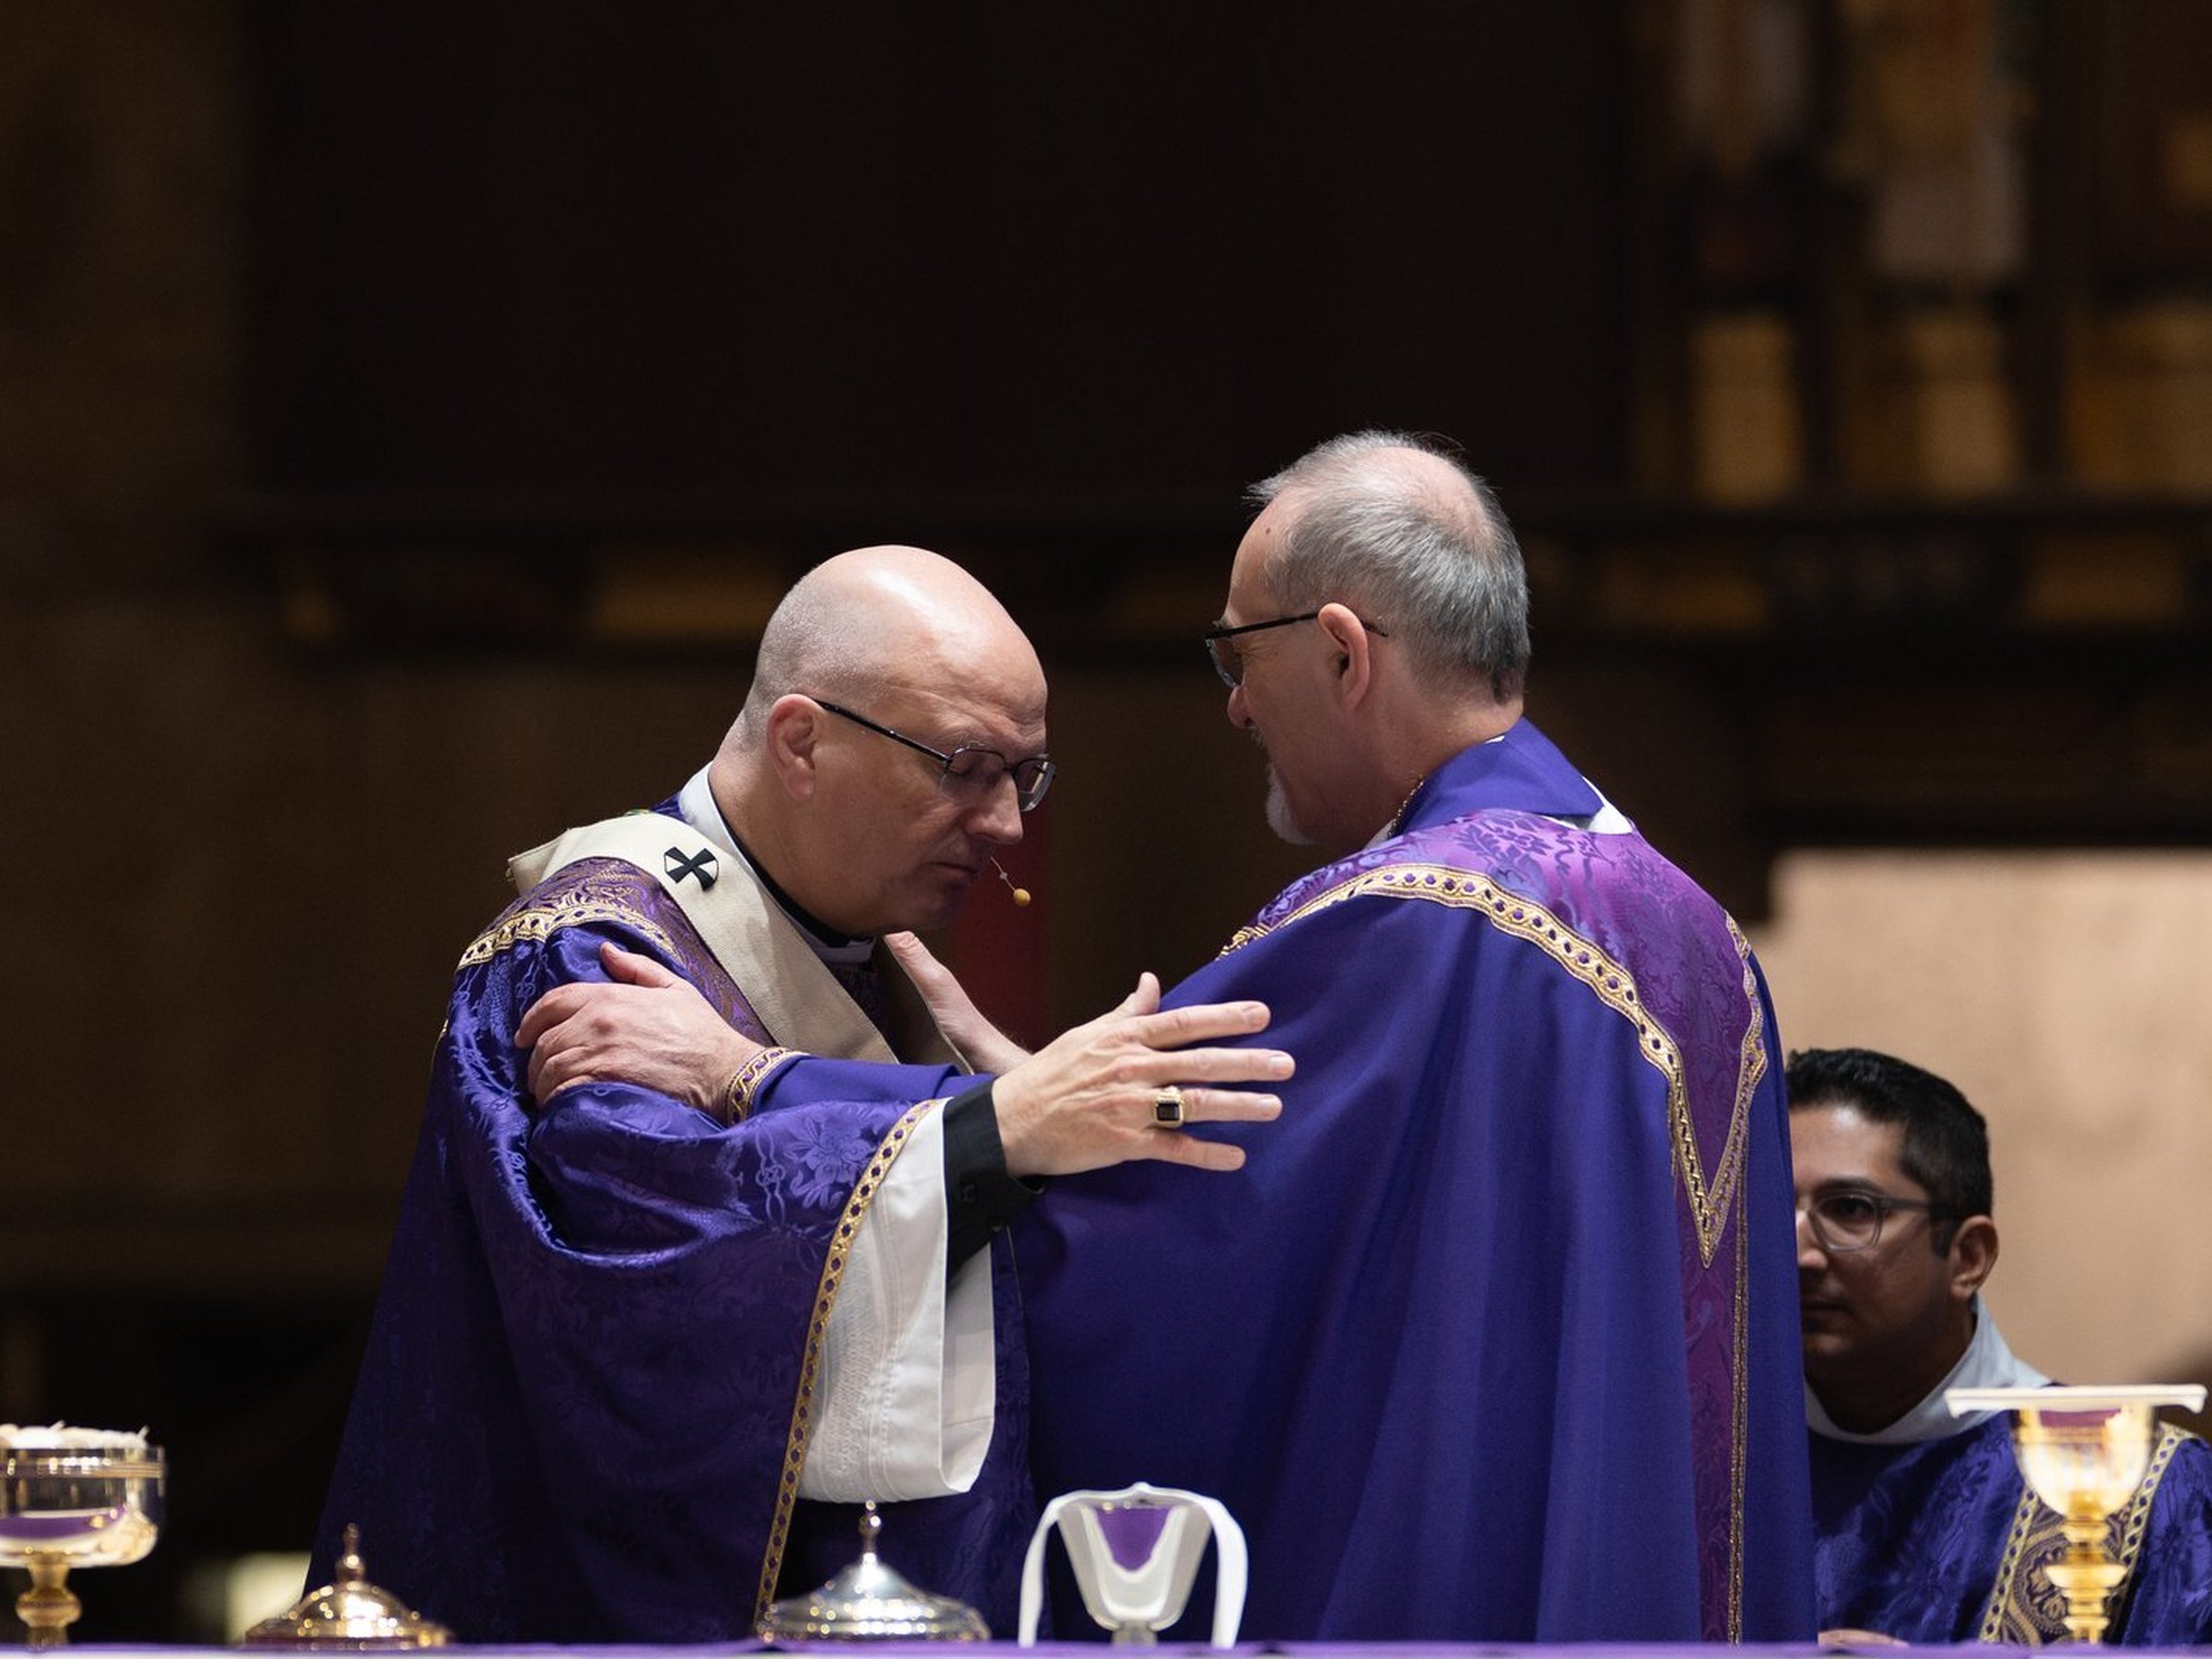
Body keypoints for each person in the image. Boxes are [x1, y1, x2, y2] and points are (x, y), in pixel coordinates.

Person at [528, 433, 1816, 1641]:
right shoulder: (1686, 930)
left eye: (1237, 654)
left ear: (1343, 654)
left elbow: (1141, 1264)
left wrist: (757, 1079)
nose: (1237, 706)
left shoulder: (1412, 928)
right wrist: (1028, 1085)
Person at [310, 546, 1292, 1643]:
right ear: (801, 742)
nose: (1007, 824)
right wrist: (990, 1130)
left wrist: (1000, 1102)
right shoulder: (593, 956)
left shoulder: (874, 956)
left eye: (1025, 775)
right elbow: (649, 1273)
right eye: (966, 766)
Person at [1790, 1046, 2212, 1644]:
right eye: (1769, 1207)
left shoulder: (2147, 1489)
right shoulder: (1701, 1475)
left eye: (1851, 1209)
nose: (1798, 1254)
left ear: (1968, 1256)